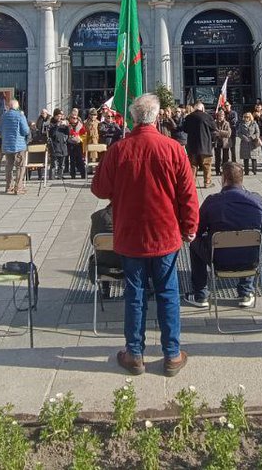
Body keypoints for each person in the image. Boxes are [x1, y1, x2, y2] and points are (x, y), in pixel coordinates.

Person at [91, 93, 198, 377]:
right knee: (168, 292)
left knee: (134, 294)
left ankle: (135, 354)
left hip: (130, 235)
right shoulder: (173, 149)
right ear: (157, 116)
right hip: (165, 234)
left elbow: (99, 189)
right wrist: (190, 227)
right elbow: (188, 195)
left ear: (133, 118)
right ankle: (172, 355)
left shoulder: (119, 150)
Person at [185, 161, 262, 309]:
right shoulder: (257, 201)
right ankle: (246, 292)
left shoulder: (212, 202)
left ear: (223, 179)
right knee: (253, 240)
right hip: (249, 260)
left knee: (194, 242)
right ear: (242, 179)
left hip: (218, 259)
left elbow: (197, 230)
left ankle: (200, 294)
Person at [0, 98, 31, 196]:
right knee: (20, 166)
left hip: (7, 145)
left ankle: (8, 187)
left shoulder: (3, 116)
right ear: (17, 106)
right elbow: (25, 131)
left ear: (9, 106)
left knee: (8, 167)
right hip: (19, 145)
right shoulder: (20, 116)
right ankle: (18, 187)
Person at [88, 203, 122, 299]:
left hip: (102, 267)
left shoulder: (97, 216)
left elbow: (93, 241)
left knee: (103, 254)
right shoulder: (130, 214)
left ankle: (105, 289)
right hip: (127, 266)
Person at [181, 102, 216, 187]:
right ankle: (207, 182)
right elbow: (214, 128)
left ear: (195, 108)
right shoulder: (207, 116)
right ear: (202, 108)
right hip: (205, 144)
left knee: (193, 165)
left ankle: (192, 183)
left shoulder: (189, 117)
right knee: (206, 164)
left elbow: (184, 129)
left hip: (192, 145)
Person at [47, 108, 70, 179]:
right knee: (53, 163)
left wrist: (67, 126)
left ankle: (60, 176)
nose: (60, 117)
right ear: (55, 116)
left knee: (61, 163)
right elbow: (52, 134)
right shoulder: (51, 124)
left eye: (61, 116)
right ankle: (52, 176)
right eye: (58, 116)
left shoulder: (63, 123)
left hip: (62, 145)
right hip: (55, 145)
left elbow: (68, 133)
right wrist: (57, 126)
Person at [237, 111, 261, 175]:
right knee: (245, 158)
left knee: (254, 157)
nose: (246, 118)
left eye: (247, 117)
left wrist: (252, 137)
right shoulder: (241, 124)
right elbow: (239, 133)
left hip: (252, 142)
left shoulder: (254, 123)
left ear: (250, 117)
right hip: (245, 142)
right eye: (244, 117)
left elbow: (257, 132)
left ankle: (254, 170)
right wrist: (244, 137)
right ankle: (246, 171)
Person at [67, 108, 87, 179]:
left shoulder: (80, 125)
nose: (74, 119)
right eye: (73, 117)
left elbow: (84, 134)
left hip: (78, 144)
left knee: (80, 160)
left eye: (75, 117)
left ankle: (83, 174)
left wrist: (80, 138)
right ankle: (73, 175)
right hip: (70, 144)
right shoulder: (68, 125)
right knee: (72, 160)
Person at [212, 107, 232, 172]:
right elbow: (213, 132)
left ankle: (225, 170)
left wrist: (220, 132)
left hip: (225, 142)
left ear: (224, 116)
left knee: (225, 157)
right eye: (219, 116)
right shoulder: (214, 123)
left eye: (222, 116)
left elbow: (228, 133)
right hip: (217, 142)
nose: (220, 117)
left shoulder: (227, 123)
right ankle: (217, 170)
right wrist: (221, 133)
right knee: (217, 157)